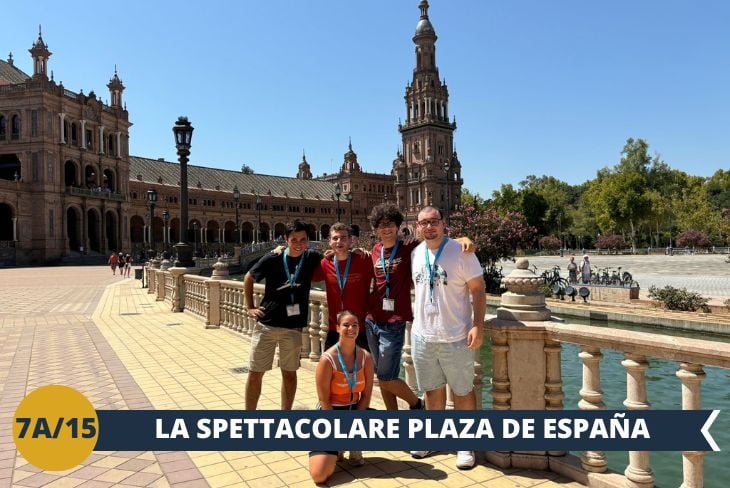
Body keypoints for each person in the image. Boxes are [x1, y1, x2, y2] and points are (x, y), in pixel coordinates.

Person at [365, 204, 475, 412]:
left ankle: (417, 404)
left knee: (386, 377)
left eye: (390, 225)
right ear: (375, 229)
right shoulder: (374, 251)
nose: (386, 229)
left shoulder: (410, 248)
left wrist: (463, 240)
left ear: (399, 227)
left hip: (395, 321)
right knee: (382, 375)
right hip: (372, 319)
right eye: (381, 225)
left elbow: (437, 241)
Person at [409, 206, 486, 470]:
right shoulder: (416, 253)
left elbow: (478, 291)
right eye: (423, 223)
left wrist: (478, 325)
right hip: (423, 335)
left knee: (463, 390)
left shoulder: (462, 251)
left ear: (443, 224)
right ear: (417, 227)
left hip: (456, 335)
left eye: (434, 222)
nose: (429, 227)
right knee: (431, 390)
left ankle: (466, 444)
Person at [243, 220, 322, 410]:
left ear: (308, 241)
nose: (298, 243)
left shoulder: (311, 257)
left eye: (303, 239)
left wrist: (361, 252)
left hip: (293, 328)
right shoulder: (273, 257)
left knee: (289, 373)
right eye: (294, 239)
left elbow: (335, 256)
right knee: (255, 373)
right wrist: (250, 307)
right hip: (267, 325)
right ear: (286, 239)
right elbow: (249, 277)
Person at [308, 311, 374, 483]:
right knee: (319, 475)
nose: (351, 328)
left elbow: (366, 395)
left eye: (355, 325)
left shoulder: (365, 357)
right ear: (337, 328)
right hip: (330, 413)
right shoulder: (327, 359)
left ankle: (354, 444)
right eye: (346, 325)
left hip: (354, 411)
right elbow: (324, 400)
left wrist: (355, 424)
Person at [313, 223, 374, 351]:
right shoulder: (325, 263)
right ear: (329, 241)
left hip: (358, 327)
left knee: (361, 368)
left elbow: (383, 277)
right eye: (335, 238)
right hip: (335, 327)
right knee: (330, 366)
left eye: (343, 238)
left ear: (351, 240)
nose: (339, 241)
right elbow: (305, 276)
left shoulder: (364, 260)